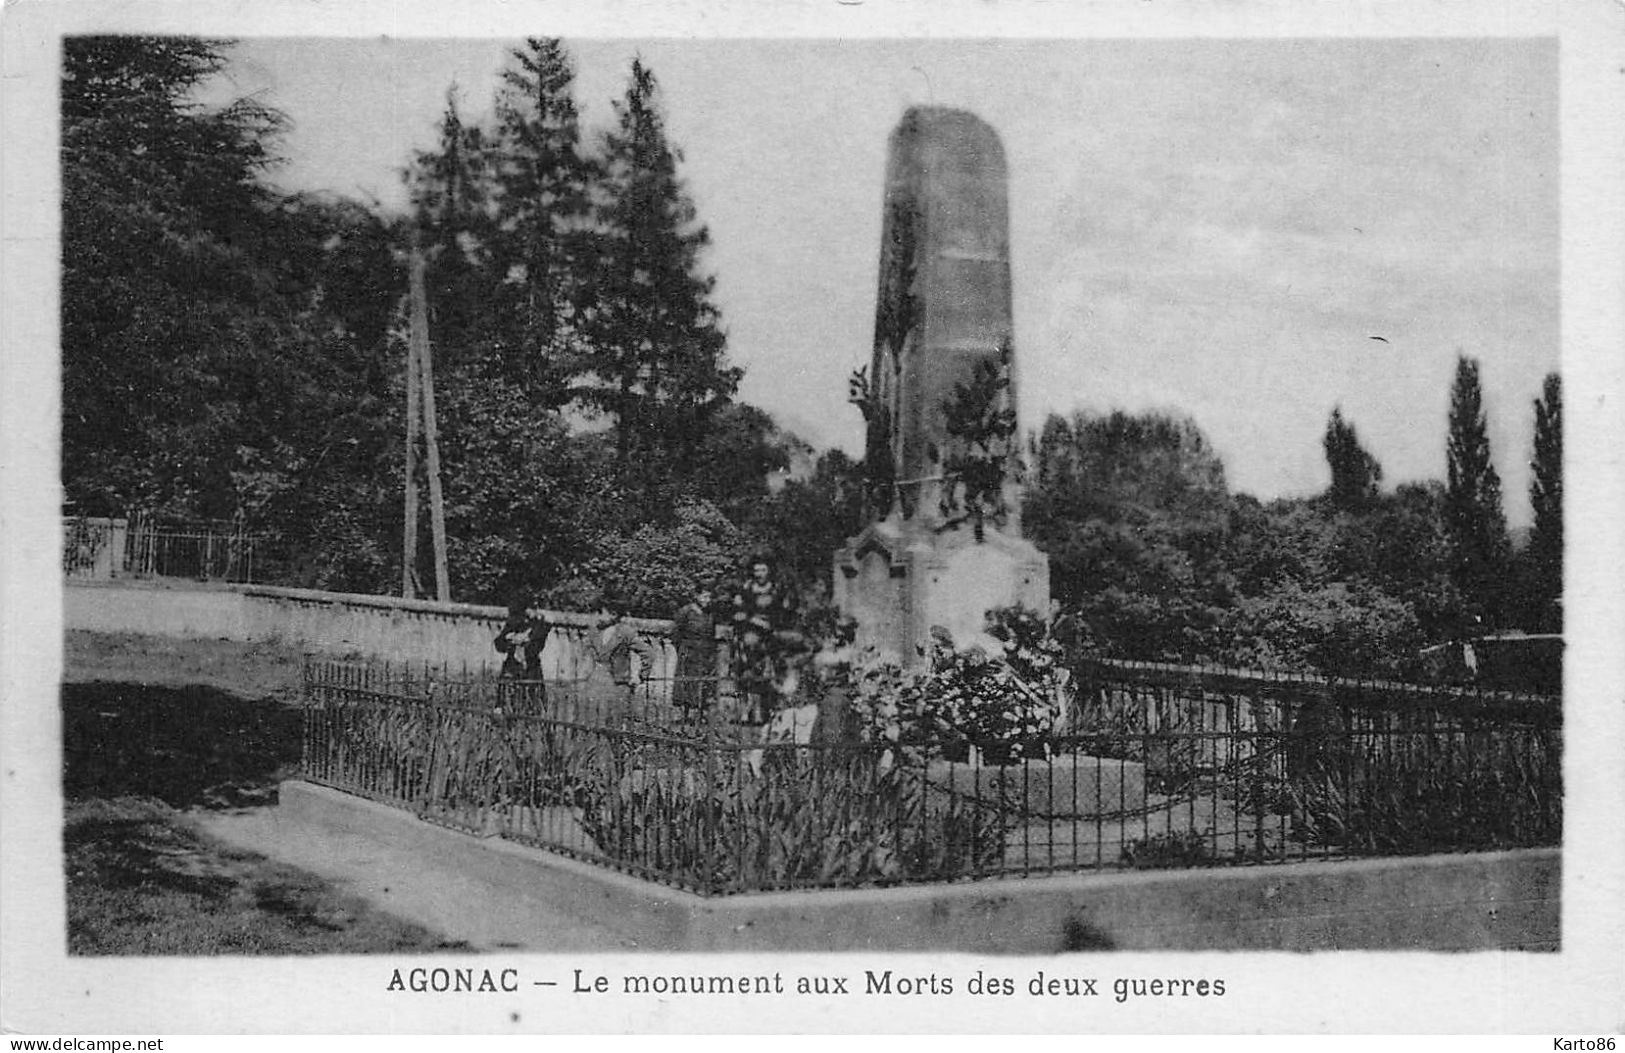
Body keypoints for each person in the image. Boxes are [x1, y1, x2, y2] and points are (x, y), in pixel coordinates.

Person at [729, 558, 795, 723]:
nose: (759, 574)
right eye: (757, 570)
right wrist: (752, 619)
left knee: (770, 671)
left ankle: (766, 710)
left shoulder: (776, 589)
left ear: (768, 571)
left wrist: (773, 624)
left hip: (770, 634)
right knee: (747, 671)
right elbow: (738, 612)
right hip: (750, 632)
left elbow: (784, 611)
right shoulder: (747, 588)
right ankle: (746, 711)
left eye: (763, 570)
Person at [592, 607, 656, 721]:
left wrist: (641, 675)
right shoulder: (595, 631)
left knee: (616, 719)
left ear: (613, 614)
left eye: (601, 613)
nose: (597, 617)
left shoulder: (625, 632)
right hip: (597, 682)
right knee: (596, 717)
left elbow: (648, 653)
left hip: (618, 683)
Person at [493, 596, 549, 713]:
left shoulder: (540, 625)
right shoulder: (514, 623)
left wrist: (526, 640)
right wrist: (511, 639)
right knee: (508, 701)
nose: (535, 611)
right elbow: (499, 644)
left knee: (533, 702)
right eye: (532, 608)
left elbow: (537, 646)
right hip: (512, 668)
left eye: (536, 608)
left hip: (531, 670)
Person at [672, 586, 718, 722]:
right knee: (685, 681)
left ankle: (698, 712)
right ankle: (683, 713)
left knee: (702, 682)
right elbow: (676, 634)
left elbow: (712, 634)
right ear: (696, 596)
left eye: (709, 597)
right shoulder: (686, 611)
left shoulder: (709, 614)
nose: (707, 600)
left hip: (704, 652)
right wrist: (683, 649)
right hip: (688, 651)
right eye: (704, 597)